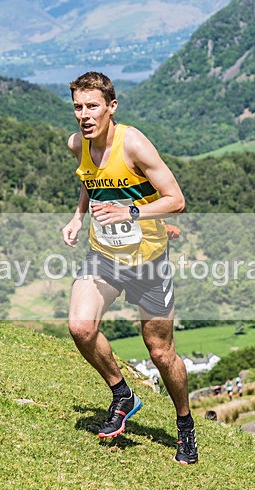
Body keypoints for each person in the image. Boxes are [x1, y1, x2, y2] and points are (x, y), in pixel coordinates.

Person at [62, 71, 197, 464]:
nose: (84, 115)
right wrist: (77, 216)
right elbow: (90, 180)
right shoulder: (77, 145)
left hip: (149, 261)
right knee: (80, 326)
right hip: (103, 256)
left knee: (160, 352)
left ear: (111, 107)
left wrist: (132, 210)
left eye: (92, 107)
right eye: (77, 107)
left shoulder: (133, 143)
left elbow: (176, 199)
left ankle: (185, 426)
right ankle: (123, 394)